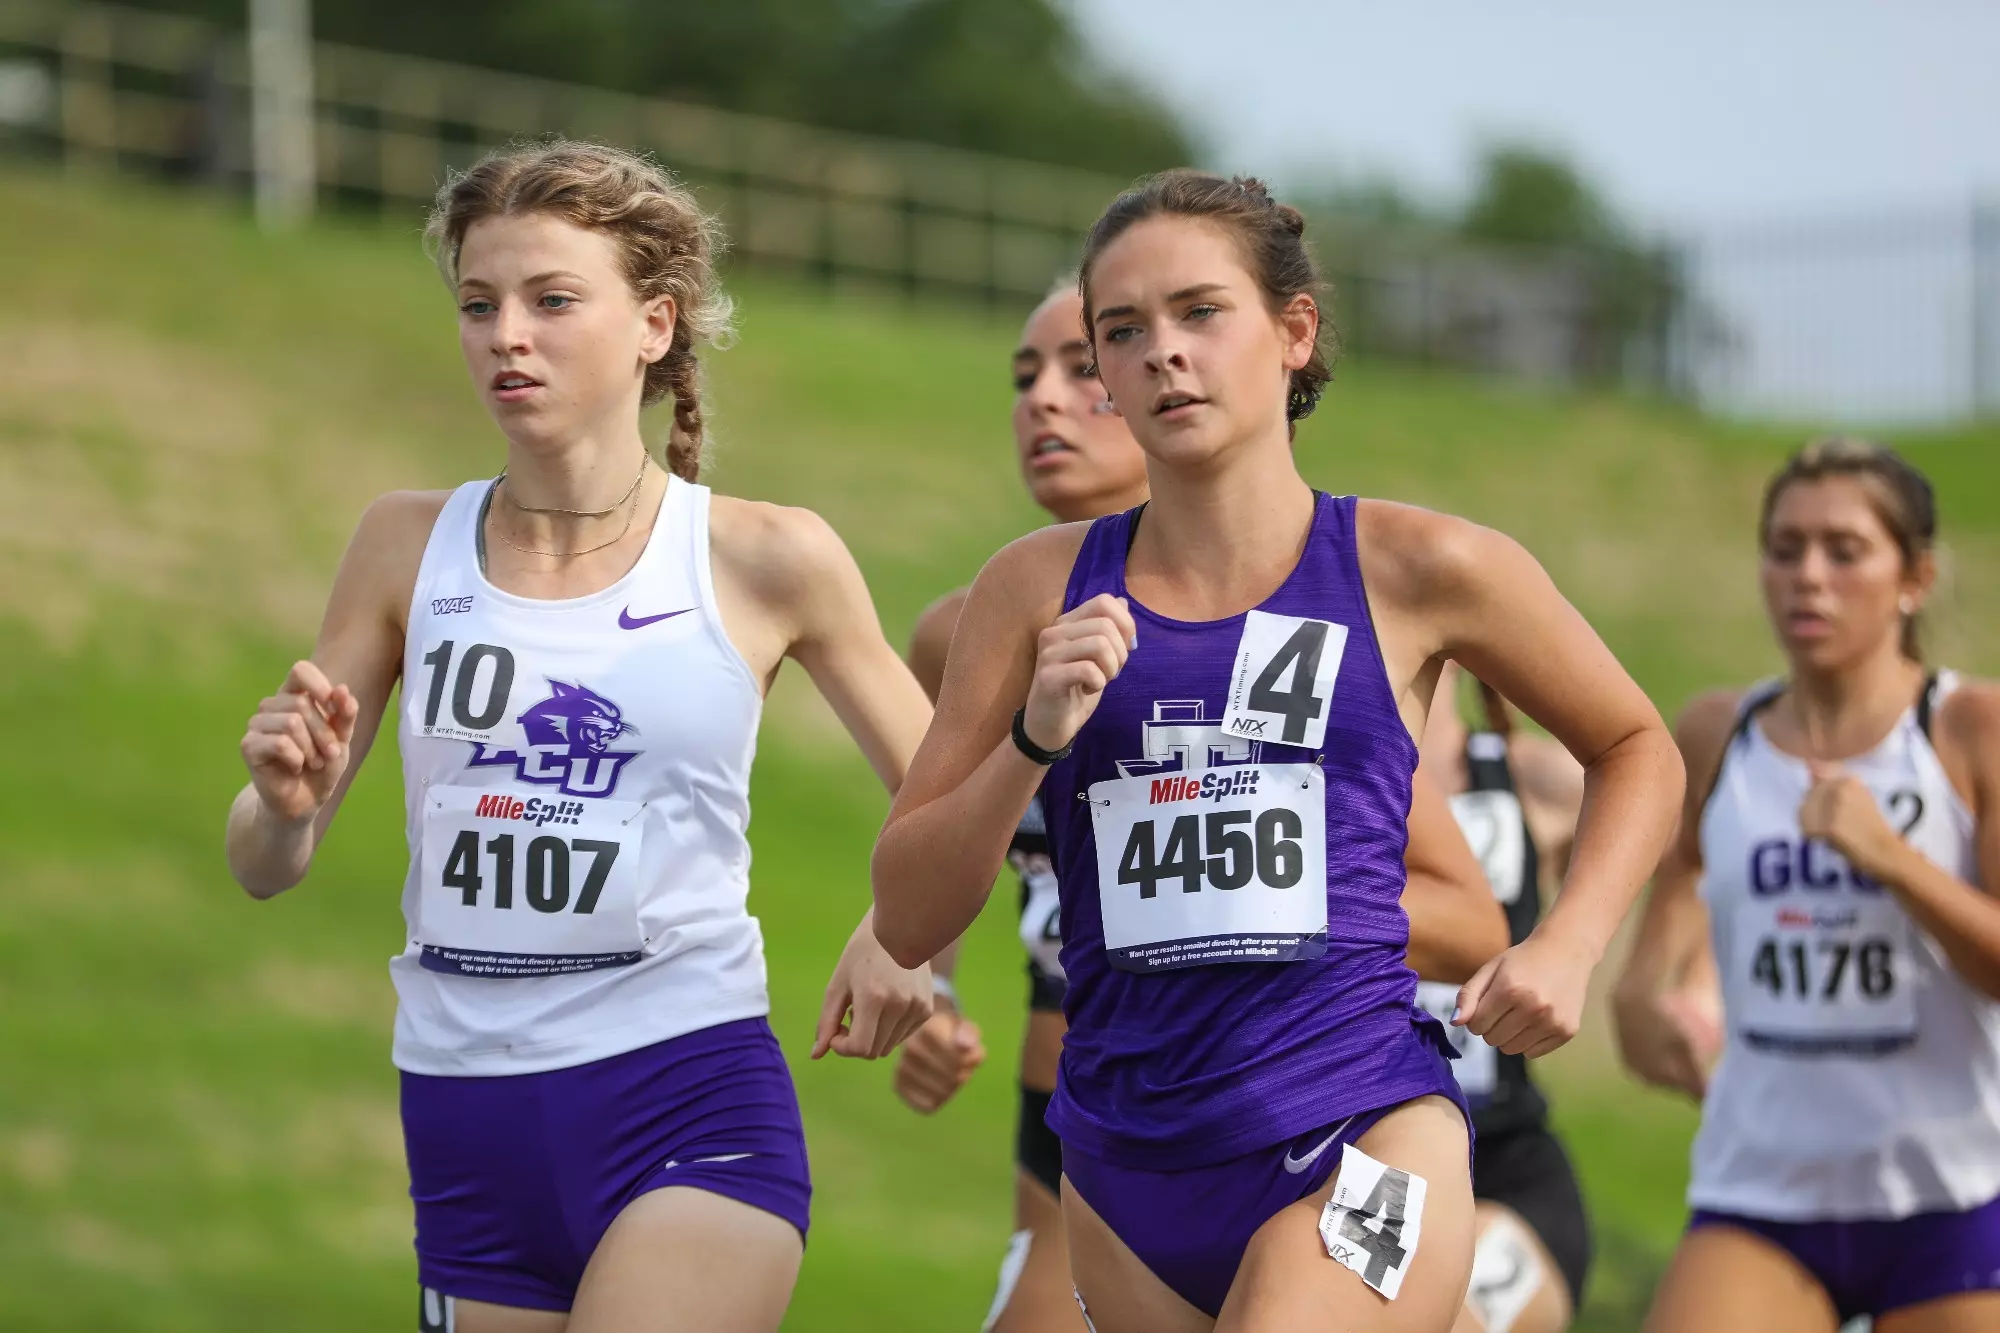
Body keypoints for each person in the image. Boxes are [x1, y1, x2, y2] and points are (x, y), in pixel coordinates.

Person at [871, 169, 1683, 1333]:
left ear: (1292, 331)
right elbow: (904, 910)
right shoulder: (1028, 590)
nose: (1161, 353)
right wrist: (1029, 740)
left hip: (1359, 1130)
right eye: (1122, 330)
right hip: (1121, 1174)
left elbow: (1634, 742)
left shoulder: (1422, 566)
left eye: (1199, 313)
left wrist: (1569, 942)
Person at [222, 141, 936, 1333]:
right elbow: (260, 867)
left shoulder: (766, 557)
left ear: (654, 324)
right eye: (478, 302)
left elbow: (955, 798)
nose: (508, 333)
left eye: (552, 300)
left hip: (686, 1094)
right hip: (462, 1116)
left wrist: (899, 932)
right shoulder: (404, 545)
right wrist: (286, 805)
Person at [892, 284, 1508, 1333]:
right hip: (1095, 1123)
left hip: (1322, 1105)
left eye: (1078, 367)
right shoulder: (969, 629)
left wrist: (1241, 877)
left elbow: (1466, 916)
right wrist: (923, 977)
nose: (1046, 399)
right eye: (1027, 373)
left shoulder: (1305, 624)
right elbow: (919, 873)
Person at [1615, 437, 2000, 1333]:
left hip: (1949, 1197)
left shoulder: (1968, 728)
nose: (1808, 577)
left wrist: (1894, 859)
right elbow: (1679, 874)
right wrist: (1641, 986)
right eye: (1784, 550)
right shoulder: (1721, 730)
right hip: (1764, 1194)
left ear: (1916, 576)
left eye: (1844, 550)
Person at [1416, 663, 1592, 1333]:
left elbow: (1679, 819)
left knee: (1446, 1320)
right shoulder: (1308, 789)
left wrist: (1580, 945)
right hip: (1359, 1162)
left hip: (1505, 1168)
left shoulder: (1532, 781)